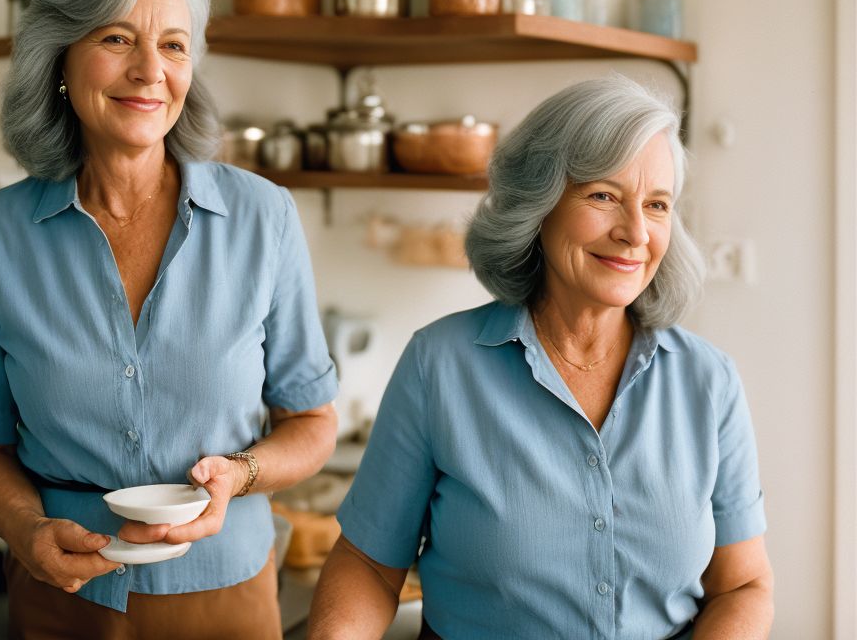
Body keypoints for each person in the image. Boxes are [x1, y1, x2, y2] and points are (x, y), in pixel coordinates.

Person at [0, 0, 338, 639]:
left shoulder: (263, 217)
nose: (150, 71)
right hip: (62, 595)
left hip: (227, 593)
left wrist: (239, 474)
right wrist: (27, 529)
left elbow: (312, 423)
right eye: (117, 38)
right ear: (60, 61)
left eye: (174, 45)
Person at [308, 76, 773, 640]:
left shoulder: (709, 381)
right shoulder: (440, 366)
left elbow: (742, 586)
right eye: (603, 195)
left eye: (656, 205)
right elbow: (369, 565)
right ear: (538, 203)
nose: (634, 233)